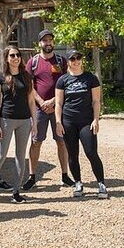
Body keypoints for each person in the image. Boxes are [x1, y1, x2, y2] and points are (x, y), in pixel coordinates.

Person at [0, 45, 37, 205]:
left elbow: (31, 101)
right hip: (6, 120)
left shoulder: (27, 76)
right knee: (0, 157)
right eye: (12, 55)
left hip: (24, 121)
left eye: (18, 55)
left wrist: (34, 123)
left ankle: (16, 192)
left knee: (20, 157)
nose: (16, 58)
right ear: (6, 58)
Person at [22, 29, 74, 190]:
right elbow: (28, 85)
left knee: (61, 142)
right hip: (38, 109)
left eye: (50, 40)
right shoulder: (33, 62)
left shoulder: (61, 61)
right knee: (36, 142)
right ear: (40, 43)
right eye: (45, 40)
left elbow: (67, 83)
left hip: (59, 108)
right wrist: (41, 102)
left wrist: (53, 101)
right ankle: (32, 176)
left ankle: (65, 175)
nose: (48, 43)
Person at [55, 49, 107, 199]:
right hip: (68, 121)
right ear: (68, 62)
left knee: (91, 152)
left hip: (86, 121)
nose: (76, 61)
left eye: (78, 58)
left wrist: (96, 119)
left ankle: (101, 183)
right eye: (73, 59)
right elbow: (58, 103)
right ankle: (78, 182)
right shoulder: (62, 80)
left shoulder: (90, 78)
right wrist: (58, 121)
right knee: (72, 154)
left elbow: (96, 101)